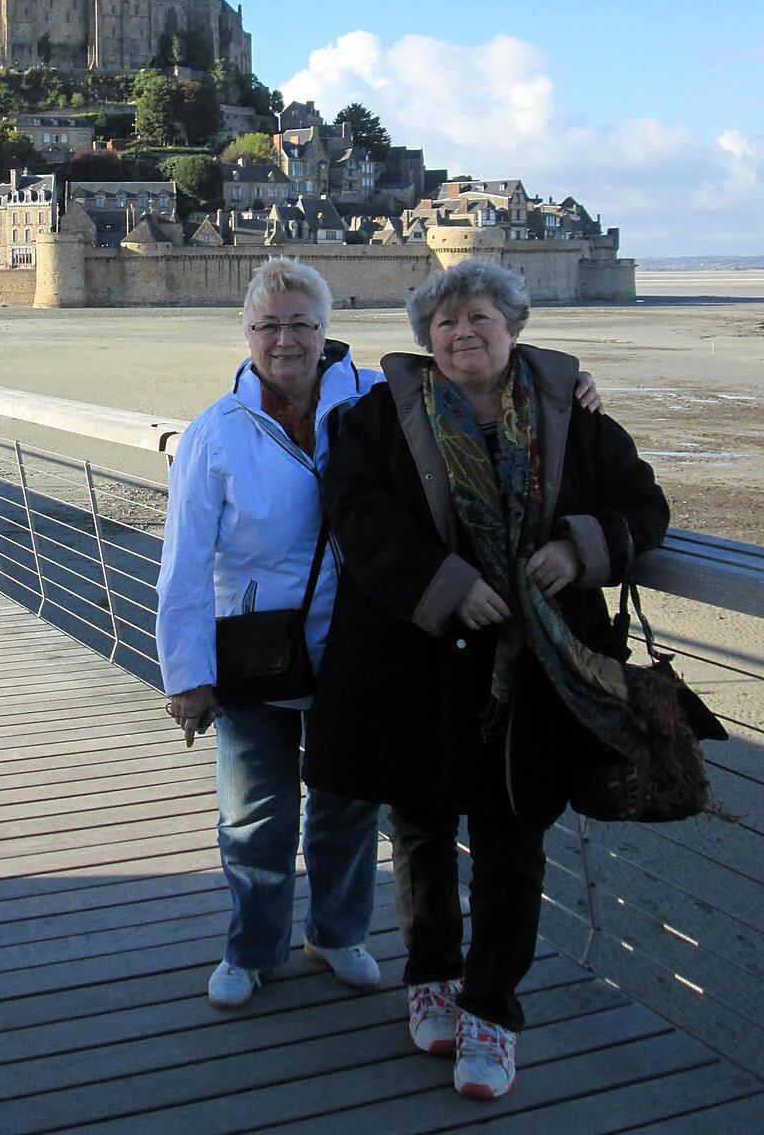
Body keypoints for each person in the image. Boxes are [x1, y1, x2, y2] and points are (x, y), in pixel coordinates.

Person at [304, 259, 669, 1100]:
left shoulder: (573, 416)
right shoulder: (378, 418)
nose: (462, 332)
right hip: (417, 663)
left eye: (479, 318)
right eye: (445, 322)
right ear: (425, 339)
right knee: (424, 831)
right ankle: (430, 977)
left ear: (514, 327)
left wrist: (582, 547)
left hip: (533, 672)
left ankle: (492, 1013)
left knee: (514, 843)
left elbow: (644, 506)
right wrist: (444, 584)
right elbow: (354, 511)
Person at [156, 258, 385, 1008]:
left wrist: (573, 389)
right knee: (256, 812)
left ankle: (337, 932)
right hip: (254, 645)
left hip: (356, 642)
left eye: (300, 323)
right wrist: (186, 676)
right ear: (248, 334)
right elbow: (184, 565)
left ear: (326, 329)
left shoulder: (378, 404)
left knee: (348, 800)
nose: (285, 339)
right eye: (269, 325)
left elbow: (476, 398)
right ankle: (252, 948)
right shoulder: (215, 433)